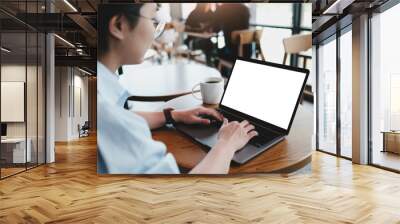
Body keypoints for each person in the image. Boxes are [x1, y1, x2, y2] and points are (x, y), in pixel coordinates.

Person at [97, 3, 258, 174]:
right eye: (153, 19)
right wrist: (227, 144)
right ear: (119, 26)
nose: (155, 32)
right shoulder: (106, 114)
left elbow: (122, 117)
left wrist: (171, 115)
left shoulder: (100, 97)